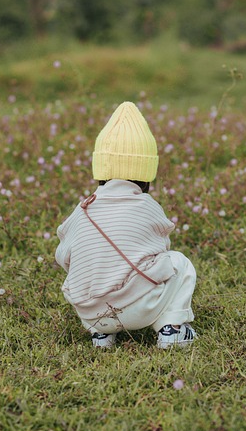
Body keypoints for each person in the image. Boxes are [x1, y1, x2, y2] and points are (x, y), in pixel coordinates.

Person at [55, 101, 197, 348]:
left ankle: (102, 336)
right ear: (146, 173)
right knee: (178, 262)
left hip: (92, 315)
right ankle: (171, 330)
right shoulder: (147, 205)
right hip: (139, 309)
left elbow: (63, 257)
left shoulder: (83, 209)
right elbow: (160, 251)